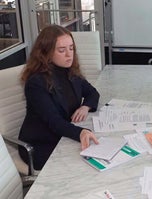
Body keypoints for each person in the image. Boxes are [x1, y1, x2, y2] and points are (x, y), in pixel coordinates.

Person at [19, 25, 100, 170]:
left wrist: (85, 106)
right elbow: (55, 122)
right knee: (87, 166)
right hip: (42, 144)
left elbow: (93, 93)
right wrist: (80, 132)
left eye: (71, 48)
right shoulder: (36, 83)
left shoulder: (70, 71)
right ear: (46, 53)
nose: (69, 55)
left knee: (95, 158)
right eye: (62, 50)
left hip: (63, 134)